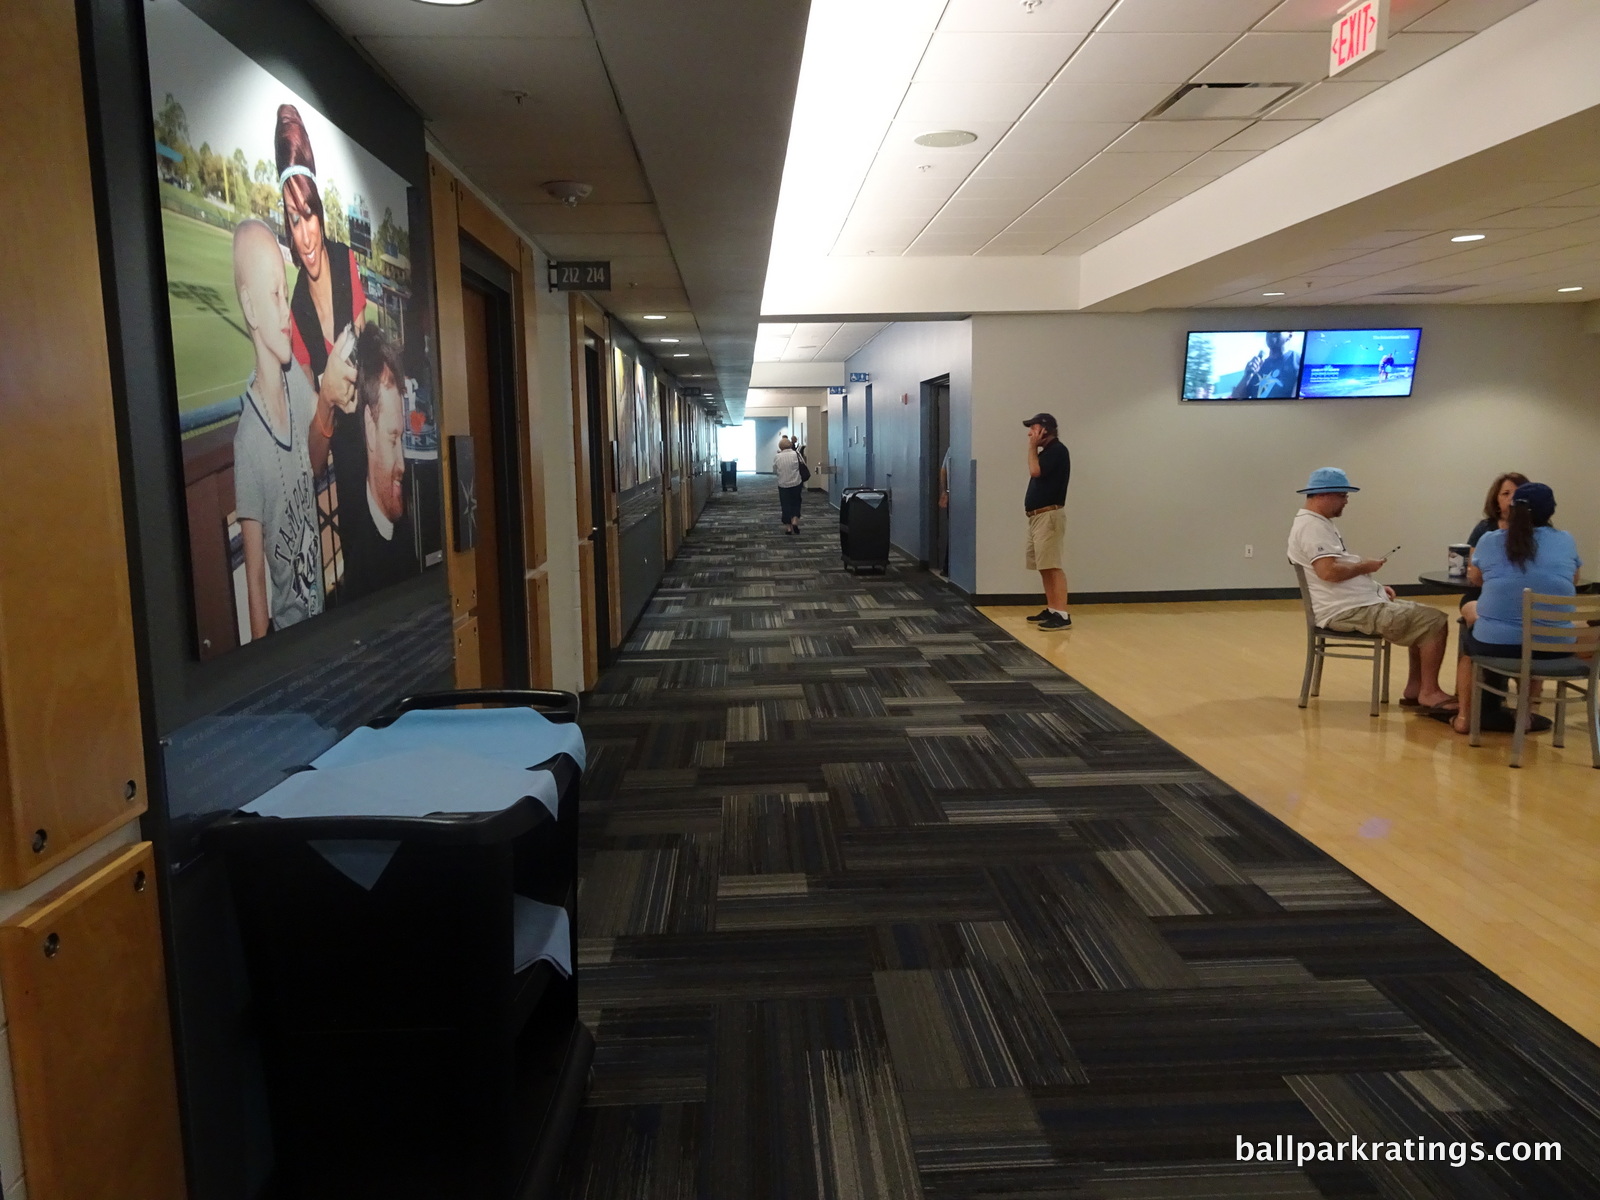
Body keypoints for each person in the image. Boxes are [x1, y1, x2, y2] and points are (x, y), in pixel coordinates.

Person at [276, 104, 367, 556]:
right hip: (347, 477)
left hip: (381, 455)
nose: (306, 237)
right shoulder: (294, 309)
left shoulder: (346, 261)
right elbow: (313, 463)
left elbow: (376, 371)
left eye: (309, 214)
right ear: (287, 226)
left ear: (321, 215)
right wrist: (328, 398)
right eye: (295, 219)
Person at [1287, 467, 1454, 710]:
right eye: (1343, 495)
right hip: (1345, 610)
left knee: (1423, 616)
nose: (1346, 501)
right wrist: (1365, 566)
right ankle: (1429, 692)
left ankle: (1416, 688)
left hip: (1351, 604)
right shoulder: (1313, 528)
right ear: (1324, 495)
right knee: (1434, 621)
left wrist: (1374, 588)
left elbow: (1334, 569)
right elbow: (1329, 572)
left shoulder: (1317, 524)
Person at [229, 219, 326, 638]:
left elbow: (320, 455)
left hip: (325, 620)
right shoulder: (248, 442)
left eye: (286, 293)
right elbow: (254, 581)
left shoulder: (299, 389)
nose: (286, 310)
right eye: (274, 295)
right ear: (250, 307)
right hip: (291, 641)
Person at [1449, 482, 1582, 735]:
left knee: (1470, 633)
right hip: (1554, 648)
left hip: (1496, 643)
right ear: (1550, 511)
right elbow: (1573, 580)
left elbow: (1476, 579)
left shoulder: (1490, 539)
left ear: (1512, 508)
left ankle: (1465, 716)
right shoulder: (1565, 540)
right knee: (1535, 634)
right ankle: (1526, 714)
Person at [338, 326, 419, 600]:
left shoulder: (402, 529)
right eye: (393, 439)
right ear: (370, 432)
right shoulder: (362, 571)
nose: (403, 465)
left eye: (401, 441)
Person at [1022, 413, 1070, 630]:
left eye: (1033, 429)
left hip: (1049, 516)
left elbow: (1035, 471)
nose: (1030, 434)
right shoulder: (1048, 452)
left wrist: (1032, 448)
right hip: (1037, 517)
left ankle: (1061, 614)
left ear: (1045, 431)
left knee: (1052, 565)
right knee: (1044, 566)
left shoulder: (1058, 451)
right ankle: (1052, 608)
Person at [1231, 331, 1299, 399]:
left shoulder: (1298, 361)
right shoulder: (1257, 366)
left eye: (1277, 330)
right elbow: (1236, 399)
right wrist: (1247, 375)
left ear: (1290, 335)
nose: (1272, 333)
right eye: (1269, 331)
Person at [774, 436, 803, 534]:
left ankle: (788, 528)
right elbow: (803, 464)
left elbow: (775, 470)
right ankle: (794, 521)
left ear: (780, 447)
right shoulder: (796, 454)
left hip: (783, 484)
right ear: (790, 445)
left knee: (785, 505)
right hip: (796, 482)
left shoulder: (777, 457)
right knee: (796, 502)